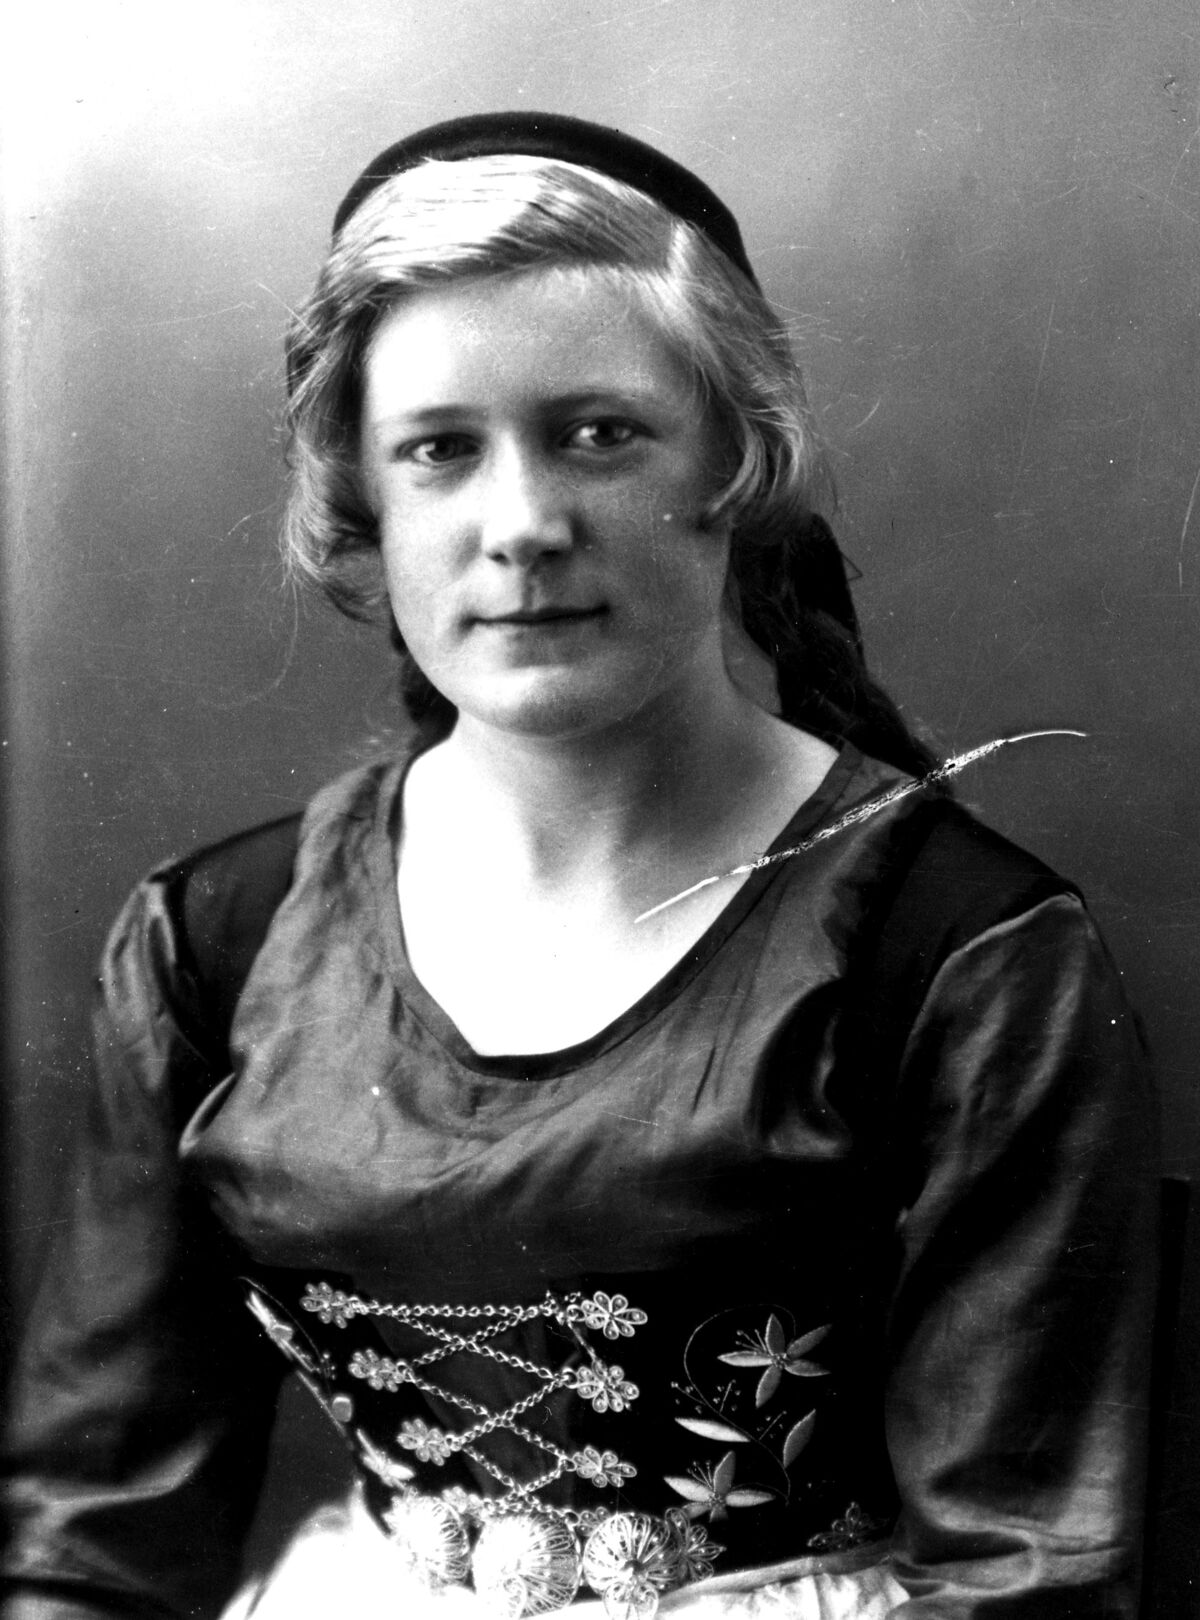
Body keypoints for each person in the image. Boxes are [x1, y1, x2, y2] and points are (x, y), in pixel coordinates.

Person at [2, 113, 1156, 1620]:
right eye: (440, 451)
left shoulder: (959, 949)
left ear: (739, 466)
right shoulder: (214, 941)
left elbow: (1030, 1573)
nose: (524, 527)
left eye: (600, 434)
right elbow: (94, 1546)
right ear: (361, 499)